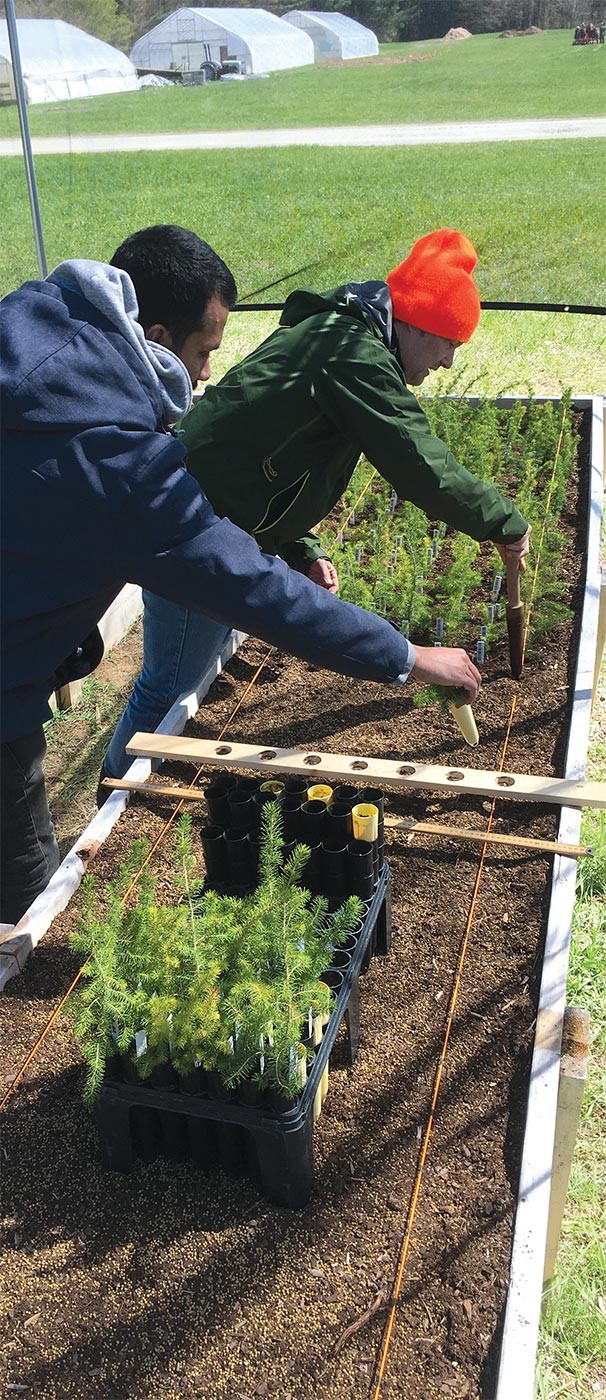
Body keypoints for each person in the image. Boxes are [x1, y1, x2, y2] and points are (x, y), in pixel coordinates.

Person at [0, 225, 481, 927]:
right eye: (202, 355)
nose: (203, 377)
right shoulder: (121, 465)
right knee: (31, 919)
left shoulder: (25, 326)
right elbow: (248, 586)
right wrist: (406, 656)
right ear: (156, 335)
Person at [103, 227, 530, 783]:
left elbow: (263, 454)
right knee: (169, 683)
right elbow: (420, 465)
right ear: (418, 325)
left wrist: (296, 545)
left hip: (215, 515)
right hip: (192, 524)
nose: (448, 362)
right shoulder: (352, 354)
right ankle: (115, 789)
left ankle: (125, 777)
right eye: (449, 342)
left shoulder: (338, 339)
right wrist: (502, 521)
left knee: (181, 672)